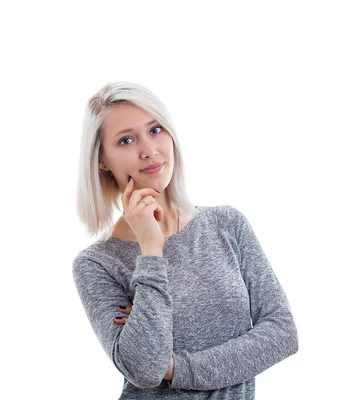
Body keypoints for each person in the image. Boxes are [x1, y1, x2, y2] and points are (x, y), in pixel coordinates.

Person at [72, 81, 299, 399]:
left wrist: (175, 369)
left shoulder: (226, 225)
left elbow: (282, 333)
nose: (149, 150)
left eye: (155, 130)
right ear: (102, 160)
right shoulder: (97, 263)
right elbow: (146, 370)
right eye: (126, 139)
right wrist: (151, 253)